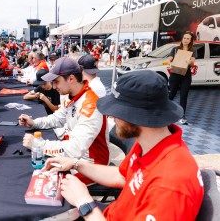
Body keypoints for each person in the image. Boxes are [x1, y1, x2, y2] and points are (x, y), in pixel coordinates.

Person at [42, 70, 204, 220]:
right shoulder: (150, 142)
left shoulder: (170, 187)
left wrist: (84, 202)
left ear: (138, 117)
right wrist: (76, 164)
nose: (111, 116)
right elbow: (121, 176)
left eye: (118, 111)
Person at [19, 57, 109, 184]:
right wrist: (34, 122)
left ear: (71, 79)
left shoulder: (90, 104)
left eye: (56, 81)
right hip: (75, 156)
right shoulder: (72, 96)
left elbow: (75, 149)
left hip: (91, 164)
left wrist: (39, 145)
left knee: (46, 182)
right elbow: (57, 118)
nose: (54, 86)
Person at [168, 31, 196, 125]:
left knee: (184, 95)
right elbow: (170, 59)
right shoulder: (175, 49)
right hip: (175, 73)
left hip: (186, 75)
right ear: (182, 39)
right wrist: (171, 61)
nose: (186, 40)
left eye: (188, 38)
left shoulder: (193, 51)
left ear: (190, 40)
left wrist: (188, 61)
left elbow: (192, 63)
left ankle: (182, 116)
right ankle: (163, 110)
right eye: (184, 38)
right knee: (171, 94)